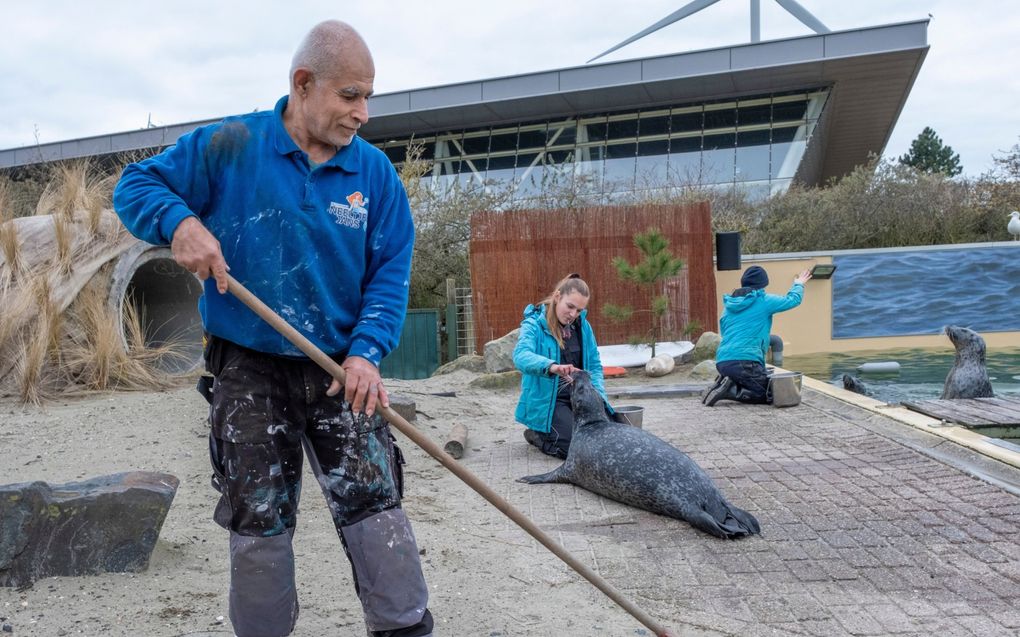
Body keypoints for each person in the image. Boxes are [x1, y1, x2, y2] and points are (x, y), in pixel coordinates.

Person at [112, 21, 433, 637]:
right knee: (258, 521)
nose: (363, 112)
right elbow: (136, 184)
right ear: (303, 84)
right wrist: (178, 223)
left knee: (376, 511)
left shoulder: (375, 178)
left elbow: (389, 277)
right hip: (249, 367)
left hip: (342, 370)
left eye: (369, 96)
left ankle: (404, 629)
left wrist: (367, 353)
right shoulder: (231, 145)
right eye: (350, 95)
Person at [512, 274, 611, 458]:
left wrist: (598, 396)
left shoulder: (583, 326)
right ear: (557, 297)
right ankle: (537, 435)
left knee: (612, 437)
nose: (573, 314)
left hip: (580, 396)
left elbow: (595, 365)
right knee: (575, 449)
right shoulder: (533, 324)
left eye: (579, 310)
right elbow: (520, 356)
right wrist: (552, 367)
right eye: (570, 306)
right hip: (549, 402)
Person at [703, 265, 812, 406]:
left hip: (722, 361)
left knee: (759, 381)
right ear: (763, 284)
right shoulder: (763, 300)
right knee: (770, 394)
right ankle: (730, 391)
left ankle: (721, 384)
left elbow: (725, 332)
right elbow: (792, 300)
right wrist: (798, 284)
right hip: (744, 362)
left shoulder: (729, 306)